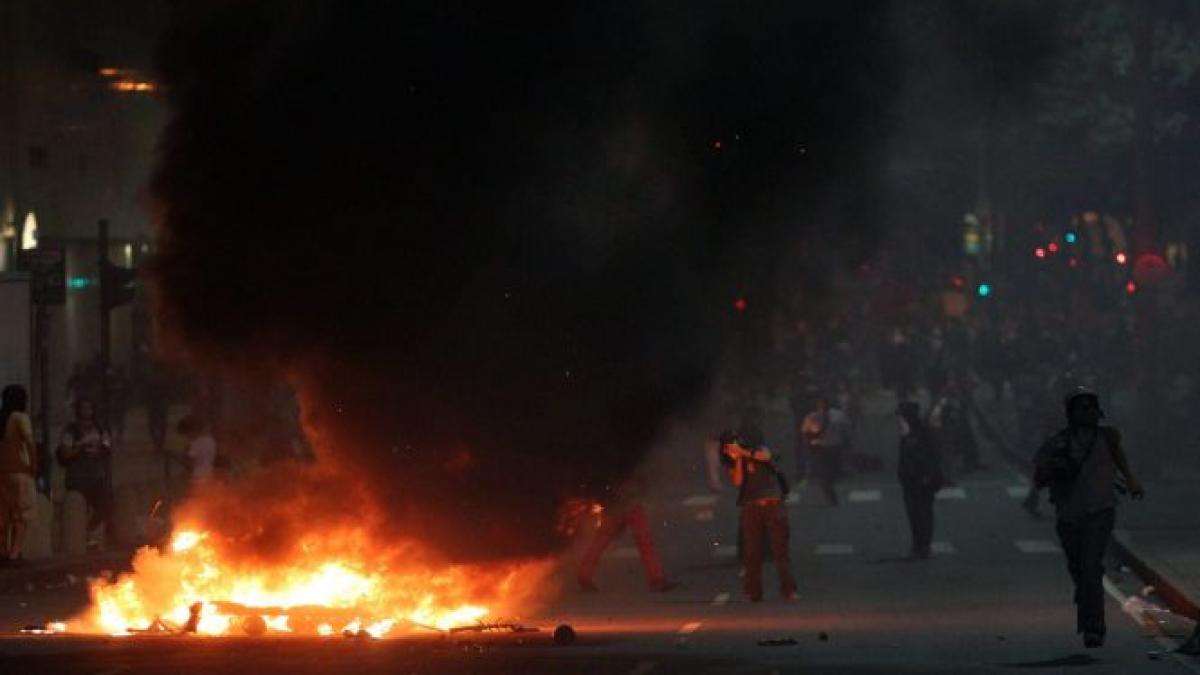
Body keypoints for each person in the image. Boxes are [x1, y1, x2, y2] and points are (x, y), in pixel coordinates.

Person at [1034, 387, 1144, 649]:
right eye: (1081, 407)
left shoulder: (1108, 437)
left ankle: (1094, 627)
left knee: (1091, 566)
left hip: (1100, 512)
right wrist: (1057, 469)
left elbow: (1120, 460)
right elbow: (1039, 477)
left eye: (1090, 406)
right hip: (1069, 516)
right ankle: (1086, 599)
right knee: (1079, 568)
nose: (1087, 412)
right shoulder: (1058, 442)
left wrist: (1131, 481)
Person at [721, 432, 796, 602]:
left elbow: (766, 457)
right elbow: (738, 482)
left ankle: (788, 590)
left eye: (730, 447)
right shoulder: (736, 462)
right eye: (727, 450)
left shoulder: (758, 450)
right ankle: (753, 592)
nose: (729, 451)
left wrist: (744, 452)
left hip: (773, 504)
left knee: (780, 550)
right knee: (751, 552)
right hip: (751, 507)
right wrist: (739, 459)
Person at [576, 476, 678, 593]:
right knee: (644, 542)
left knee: (601, 541)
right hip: (625, 502)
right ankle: (657, 580)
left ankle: (584, 575)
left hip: (616, 502)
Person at [57, 398, 114, 551]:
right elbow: (65, 453)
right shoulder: (71, 430)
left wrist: (100, 446)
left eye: (89, 408)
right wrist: (81, 445)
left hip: (97, 476)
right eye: (83, 408)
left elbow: (107, 449)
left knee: (105, 507)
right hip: (77, 477)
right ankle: (81, 539)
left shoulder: (100, 429)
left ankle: (89, 533)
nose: (86, 412)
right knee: (76, 507)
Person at [896, 401, 942, 559]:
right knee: (915, 515)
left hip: (922, 479)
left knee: (922, 513)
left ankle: (922, 546)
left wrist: (927, 475)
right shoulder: (907, 433)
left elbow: (931, 456)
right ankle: (919, 545)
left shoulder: (921, 432)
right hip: (909, 479)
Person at [0, 385, 37, 567]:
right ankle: (14, 554)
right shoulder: (20, 418)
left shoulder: (2, 419)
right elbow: (30, 443)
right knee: (22, 515)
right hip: (20, 470)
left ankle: (3, 551)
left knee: (4, 514)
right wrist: (34, 467)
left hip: (2, 472)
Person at [801, 397, 851, 505]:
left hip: (832, 447)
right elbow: (846, 430)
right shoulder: (814, 416)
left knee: (830, 471)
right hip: (823, 447)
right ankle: (830, 493)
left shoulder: (835, 416)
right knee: (826, 472)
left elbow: (805, 431)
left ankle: (829, 489)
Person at [178, 416, 217, 485]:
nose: (187, 437)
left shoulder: (195, 443)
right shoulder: (210, 440)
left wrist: (182, 458)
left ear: (192, 431)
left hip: (197, 476)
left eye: (187, 434)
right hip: (209, 473)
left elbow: (191, 462)